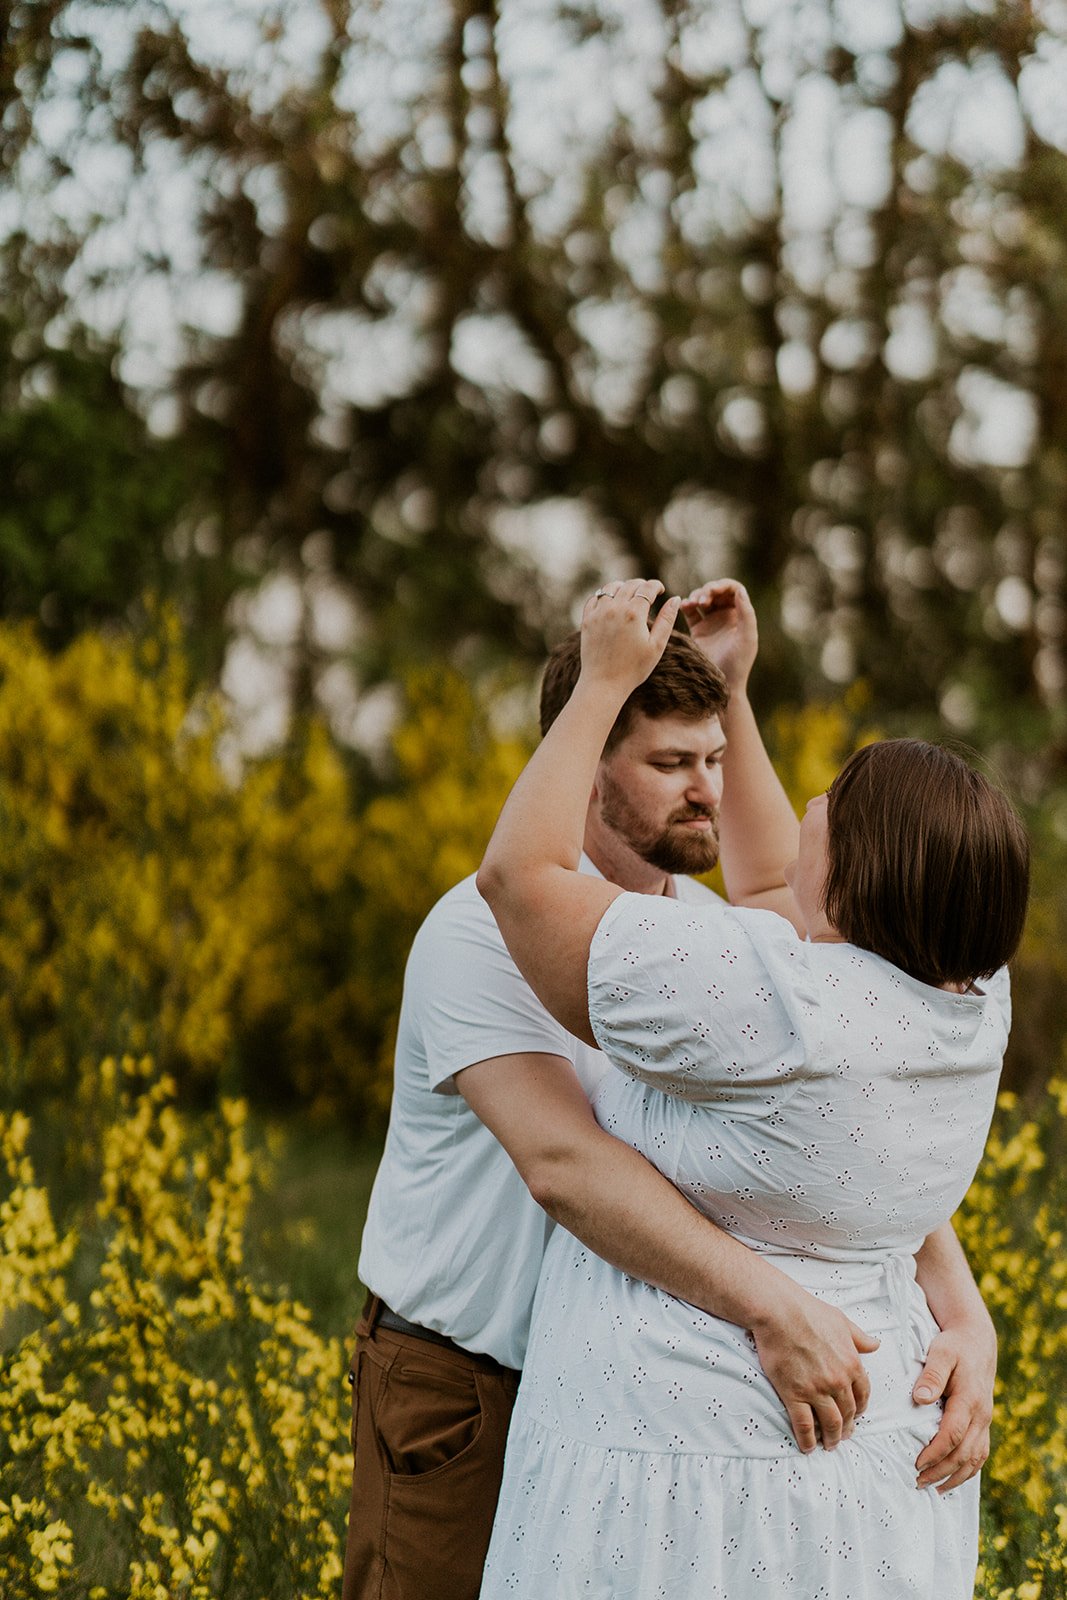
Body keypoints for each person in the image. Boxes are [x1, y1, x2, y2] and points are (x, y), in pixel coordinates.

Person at [343, 580, 1000, 1600]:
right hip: (464, 1378)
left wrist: (958, 1305)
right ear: (586, 761)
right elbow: (565, 1165)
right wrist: (771, 1305)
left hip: (611, 1391)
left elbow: (841, 1117)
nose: (703, 788)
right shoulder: (474, 939)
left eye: (713, 760)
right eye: (667, 763)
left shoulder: (706, 940)